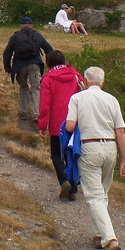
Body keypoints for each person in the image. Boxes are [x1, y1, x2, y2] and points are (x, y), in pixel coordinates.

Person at [65, 66, 125, 250]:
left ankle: (110, 240)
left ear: (84, 80)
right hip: (110, 147)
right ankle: (98, 236)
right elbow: (120, 131)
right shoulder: (112, 100)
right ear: (103, 81)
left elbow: (69, 126)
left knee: (94, 196)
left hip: (89, 147)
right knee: (102, 193)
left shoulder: (77, 98)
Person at [38, 49, 86, 200]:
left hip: (57, 124)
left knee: (56, 155)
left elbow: (44, 105)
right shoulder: (76, 75)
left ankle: (64, 181)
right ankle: (72, 189)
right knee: (72, 155)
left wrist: (42, 125)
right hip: (75, 122)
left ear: (48, 63)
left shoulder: (48, 78)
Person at [3, 16, 53, 122]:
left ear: (21, 26)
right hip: (34, 65)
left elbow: (7, 53)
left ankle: (23, 113)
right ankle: (37, 114)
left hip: (19, 66)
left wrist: (8, 69)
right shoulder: (37, 35)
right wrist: (50, 65)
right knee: (36, 88)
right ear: (31, 25)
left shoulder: (15, 36)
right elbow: (49, 49)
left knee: (23, 87)